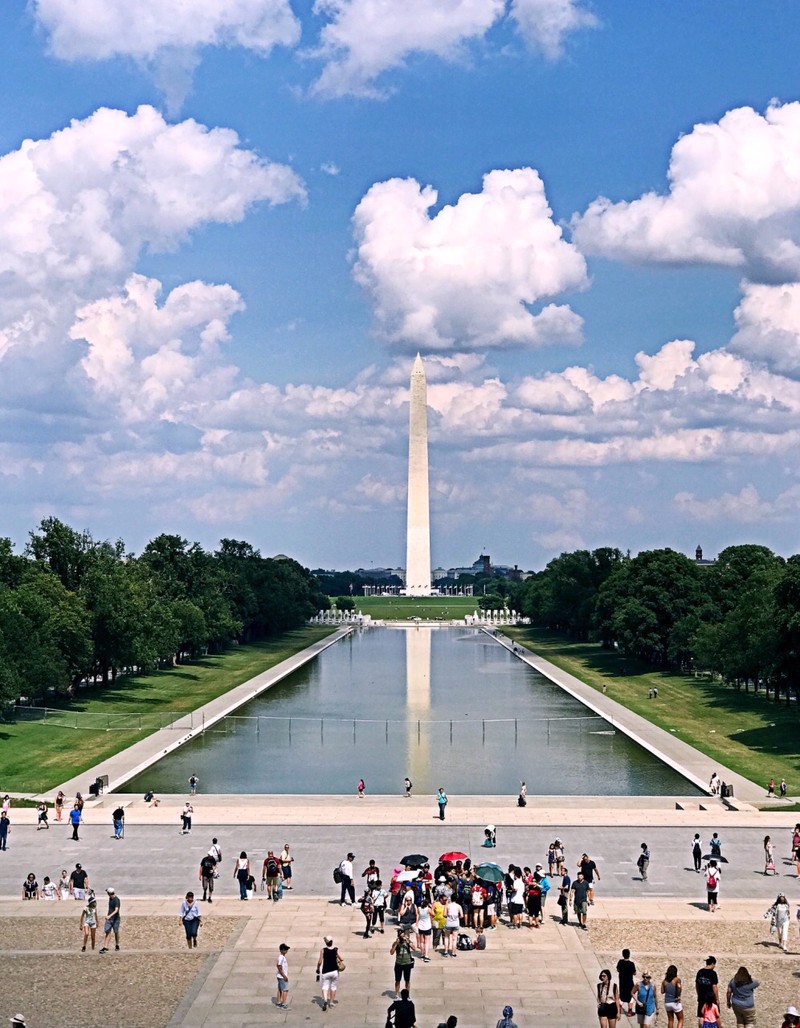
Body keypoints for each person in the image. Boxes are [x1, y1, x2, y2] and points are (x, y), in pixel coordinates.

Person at [316, 935, 341, 1011]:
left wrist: (317, 968)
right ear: (332, 942)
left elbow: (320, 961)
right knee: (333, 987)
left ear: (325, 942)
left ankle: (325, 1001)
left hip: (325, 971)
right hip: (334, 971)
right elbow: (342, 958)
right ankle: (332, 1002)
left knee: (325, 987)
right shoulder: (336, 949)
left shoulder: (323, 950)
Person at [695, 957, 719, 1025]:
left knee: (701, 1016)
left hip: (701, 997)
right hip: (710, 998)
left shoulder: (700, 972)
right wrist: (717, 999)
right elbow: (714, 986)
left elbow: (697, 985)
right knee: (713, 1016)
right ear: (712, 963)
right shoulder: (713, 973)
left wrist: (698, 994)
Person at [100, 887, 121, 952]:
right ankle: (105, 947)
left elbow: (116, 910)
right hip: (109, 919)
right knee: (107, 931)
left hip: (115, 919)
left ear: (109, 893)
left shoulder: (116, 900)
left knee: (116, 932)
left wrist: (109, 916)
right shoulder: (110, 898)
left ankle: (117, 944)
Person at [617, 949, 637, 1018]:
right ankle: (630, 1011)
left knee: (622, 995)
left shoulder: (620, 962)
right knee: (631, 996)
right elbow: (634, 973)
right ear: (629, 955)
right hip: (629, 983)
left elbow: (618, 969)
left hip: (622, 982)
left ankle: (619, 1008)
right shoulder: (631, 964)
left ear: (623, 955)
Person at [276, 943, 290, 1009]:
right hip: (282, 977)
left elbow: (277, 965)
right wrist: (284, 975)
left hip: (279, 976)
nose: (287, 951)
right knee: (285, 990)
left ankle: (279, 1002)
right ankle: (284, 1004)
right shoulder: (281, 957)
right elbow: (279, 966)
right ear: (282, 950)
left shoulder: (281, 957)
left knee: (280, 989)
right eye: (286, 949)